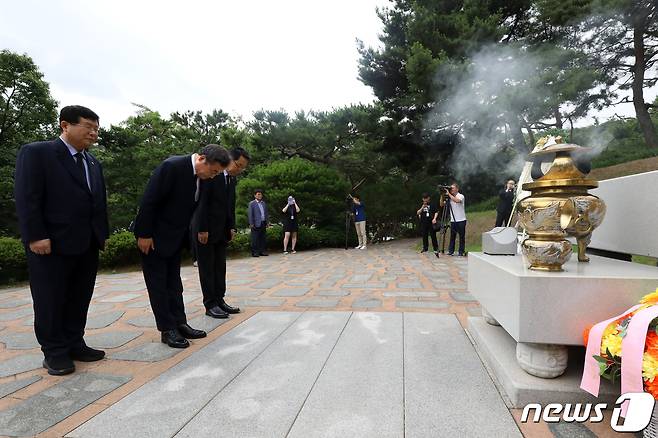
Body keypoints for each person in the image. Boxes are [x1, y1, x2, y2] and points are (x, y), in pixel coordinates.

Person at [14, 105, 109, 376]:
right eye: (87, 127)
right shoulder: (38, 153)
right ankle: (54, 352)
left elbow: (97, 203)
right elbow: (27, 197)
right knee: (50, 298)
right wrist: (35, 235)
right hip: (50, 244)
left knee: (79, 297)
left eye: (96, 128)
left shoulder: (92, 162)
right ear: (65, 125)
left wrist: (101, 235)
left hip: (86, 243)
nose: (93, 133)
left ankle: (75, 342)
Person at [133, 144, 228, 349]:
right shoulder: (172, 166)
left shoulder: (199, 177)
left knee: (174, 284)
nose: (213, 176)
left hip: (174, 239)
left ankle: (180, 322)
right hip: (154, 238)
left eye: (217, 173)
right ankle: (167, 329)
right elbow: (150, 200)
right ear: (202, 159)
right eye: (213, 171)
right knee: (159, 285)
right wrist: (144, 233)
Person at [192, 147, 250, 319]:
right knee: (207, 267)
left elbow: (230, 205)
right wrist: (202, 228)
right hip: (206, 230)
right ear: (229, 159)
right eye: (238, 165)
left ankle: (220, 299)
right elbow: (201, 202)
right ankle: (210, 304)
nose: (239, 170)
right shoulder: (212, 174)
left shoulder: (230, 179)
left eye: (242, 168)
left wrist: (231, 226)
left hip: (222, 230)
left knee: (219, 266)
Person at [440, 183, 467, 256]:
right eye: (450, 188)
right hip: (453, 220)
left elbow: (457, 201)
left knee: (461, 236)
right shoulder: (449, 197)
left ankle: (461, 252)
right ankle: (451, 251)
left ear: (457, 189)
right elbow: (441, 204)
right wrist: (442, 195)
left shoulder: (460, 196)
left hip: (461, 220)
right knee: (452, 236)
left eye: (453, 188)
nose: (451, 189)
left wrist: (448, 194)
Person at [417, 193, 439, 257]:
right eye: (424, 199)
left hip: (431, 222)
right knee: (424, 235)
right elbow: (418, 212)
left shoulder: (432, 204)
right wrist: (422, 207)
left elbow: (436, 211)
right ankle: (425, 248)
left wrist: (434, 218)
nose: (425, 200)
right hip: (424, 222)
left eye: (426, 198)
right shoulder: (422, 204)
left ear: (428, 198)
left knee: (433, 236)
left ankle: (435, 248)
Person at [248, 189, 269, 257]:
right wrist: (251, 223)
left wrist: (267, 222)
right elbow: (250, 214)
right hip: (255, 223)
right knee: (255, 239)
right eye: (258, 194)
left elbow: (266, 213)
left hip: (263, 223)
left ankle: (262, 251)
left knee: (263, 238)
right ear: (255, 195)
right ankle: (255, 252)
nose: (260, 196)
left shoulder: (263, 203)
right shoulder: (252, 203)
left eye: (260, 194)